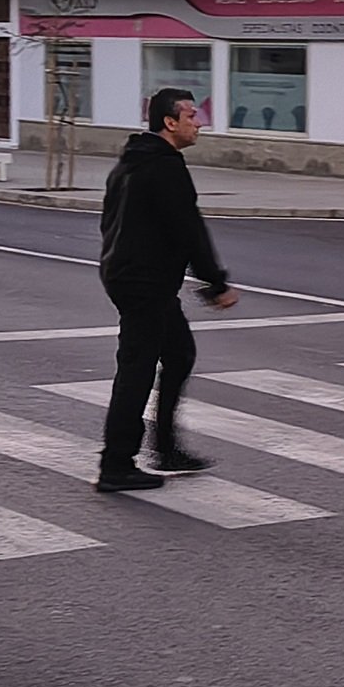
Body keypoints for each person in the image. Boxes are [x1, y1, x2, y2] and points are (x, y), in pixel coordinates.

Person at [96, 87, 240, 492]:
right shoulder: (164, 168)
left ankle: (164, 447)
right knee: (137, 369)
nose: (199, 123)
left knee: (178, 354)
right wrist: (217, 282)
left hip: (134, 278)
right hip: (145, 283)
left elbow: (110, 222)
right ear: (169, 122)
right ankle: (116, 464)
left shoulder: (132, 162)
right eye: (192, 116)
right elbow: (189, 230)